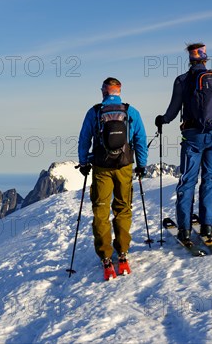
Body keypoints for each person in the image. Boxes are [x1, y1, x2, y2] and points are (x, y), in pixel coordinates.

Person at [155, 43, 212, 244]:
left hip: (193, 136)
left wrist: (162, 120)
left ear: (190, 59)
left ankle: (185, 230)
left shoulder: (182, 80)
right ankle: (208, 226)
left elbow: (172, 111)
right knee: (210, 179)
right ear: (206, 58)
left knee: (188, 180)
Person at [78, 77, 148, 279]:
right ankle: (123, 253)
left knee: (100, 209)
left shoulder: (95, 112)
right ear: (119, 91)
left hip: (101, 167)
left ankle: (106, 257)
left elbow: (84, 139)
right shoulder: (131, 112)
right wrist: (141, 165)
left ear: (103, 92)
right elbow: (140, 140)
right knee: (123, 208)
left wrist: (84, 163)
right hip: (124, 166)